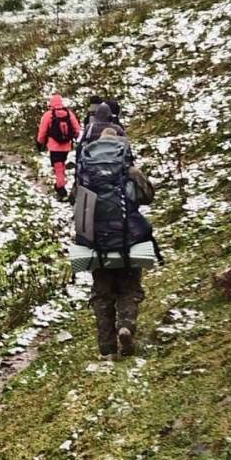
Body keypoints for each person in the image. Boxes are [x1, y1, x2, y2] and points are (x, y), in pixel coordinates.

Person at [85, 129, 154, 359]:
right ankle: (125, 326)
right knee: (129, 288)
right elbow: (148, 196)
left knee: (102, 294)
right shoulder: (130, 172)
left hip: (97, 241)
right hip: (128, 239)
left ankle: (107, 349)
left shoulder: (86, 173)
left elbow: (76, 200)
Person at [36, 94, 81, 200]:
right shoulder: (69, 114)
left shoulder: (49, 115)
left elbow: (42, 132)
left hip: (54, 147)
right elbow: (77, 130)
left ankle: (61, 188)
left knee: (58, 167)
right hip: (66, 147)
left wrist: (40, 142)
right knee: (61, 165)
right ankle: (61, 185)